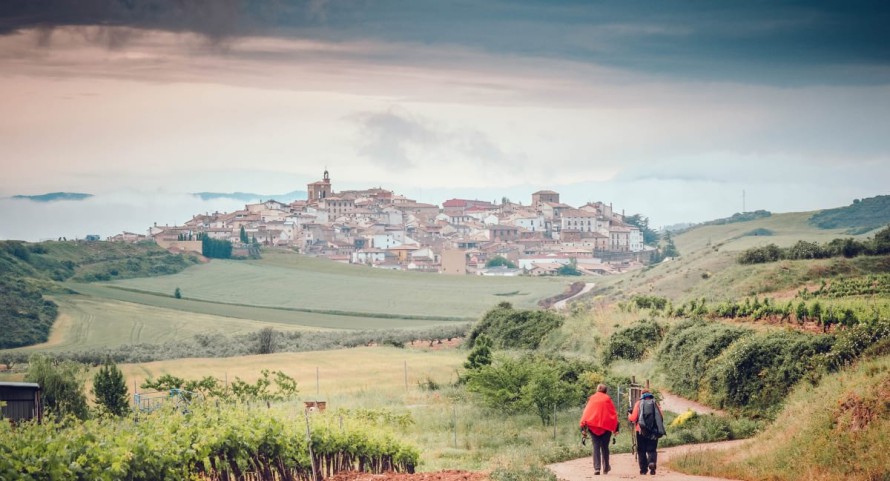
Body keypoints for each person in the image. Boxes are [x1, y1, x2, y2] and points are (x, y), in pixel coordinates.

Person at [579, 384, 619, 475]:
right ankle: (606, 468)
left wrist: (582, 428)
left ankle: (597, 468)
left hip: (593, 427)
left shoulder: (592, 399)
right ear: (606, 391)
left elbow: (586, 413)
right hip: (606, 427)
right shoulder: (608, 399)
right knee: (605, 447)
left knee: (596, 447)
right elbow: (613, 414)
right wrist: (616, 428)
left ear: (597, 390)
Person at [628, 389, 666, 476]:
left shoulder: (638, 403)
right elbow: (661, 416)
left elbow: (633, 418)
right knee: (652, 449)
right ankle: (651, 463)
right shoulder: (655, 403)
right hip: (653, 431)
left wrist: (629, 415)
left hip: (641, 430)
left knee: (641, 450)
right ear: (650, 394)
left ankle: (643, 470)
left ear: (642, 395)